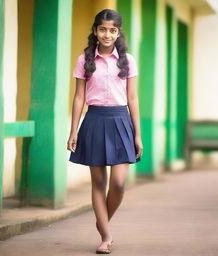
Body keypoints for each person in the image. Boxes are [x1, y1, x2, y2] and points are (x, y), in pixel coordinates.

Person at [67, 9, 143, 254]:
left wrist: (137, 134)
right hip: (95, 121)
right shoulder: (84, 59)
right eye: (102, 29)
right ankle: (106, 236)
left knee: (119, 183)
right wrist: (74, 130)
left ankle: (101, 221)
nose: (107, 34)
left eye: (112, 30)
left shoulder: (128, 60)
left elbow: (132, 98)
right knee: (99, 182)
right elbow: (79, 98)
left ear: (118, 32)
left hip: (121, 121)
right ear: (95, 30)